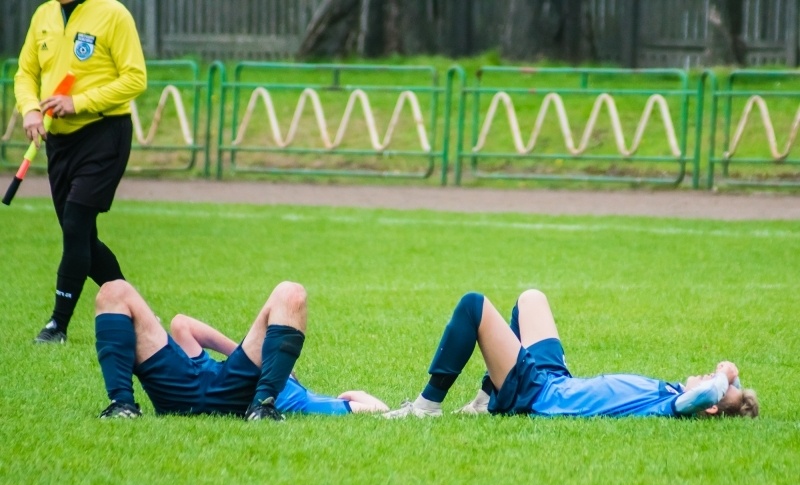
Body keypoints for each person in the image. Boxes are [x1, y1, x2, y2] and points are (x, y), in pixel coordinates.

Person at [384, 289, 759, 419]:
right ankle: (486, 401)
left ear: (709, 405)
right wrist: (735, 387)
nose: (710, 374)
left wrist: (726, 375)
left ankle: (425, 409)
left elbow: (709, 395)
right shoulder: (672, 391)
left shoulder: (676, 406)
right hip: (556, 383)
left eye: (715, 380)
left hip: (539, 396)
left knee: (473, 306)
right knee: (531, 299)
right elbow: (718, 396)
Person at [14, 0, 147, 343]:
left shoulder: (113, 13)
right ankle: (140, 313)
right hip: (59, 143)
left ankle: (57, 326)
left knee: (75, 225)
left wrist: (79, 101)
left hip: (104, 133)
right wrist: (29, 109)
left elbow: (135, 78)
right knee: (83, 237)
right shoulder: (43, 14)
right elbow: (26, 73)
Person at [94, 279, 388, 420]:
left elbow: (373, 411)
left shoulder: (304, 400)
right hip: (183, 385)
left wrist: (267, 376)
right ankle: (122, 406)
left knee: (292, 292)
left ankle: (263, 408)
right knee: (113, 290)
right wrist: (247, 354)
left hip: (245, 395)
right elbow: (182, 325)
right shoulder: (200, 364)